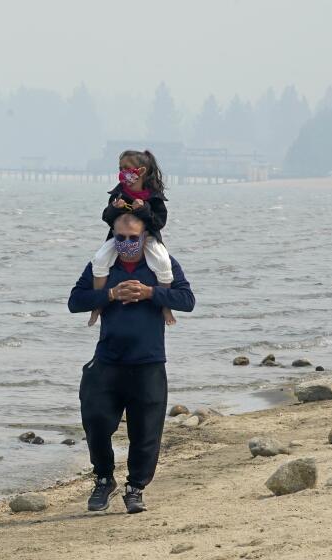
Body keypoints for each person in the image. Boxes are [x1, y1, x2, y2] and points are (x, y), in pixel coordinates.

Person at [68, 212, 195, 514]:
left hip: (148, 363)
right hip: (107, 362)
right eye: (119, 237)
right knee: (96, 421)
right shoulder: (103, 265)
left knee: (146, 433)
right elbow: (75, 301)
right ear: (112, 235)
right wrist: (110, 294)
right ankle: (103, 479)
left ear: (145, 236)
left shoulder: (160, 264)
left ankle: (135, 488)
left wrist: (150, 292)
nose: (125, 243)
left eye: (132, 238)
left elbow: (187, 300)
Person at [88, 150, 175, 328]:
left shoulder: (154, 196)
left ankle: (166, 306)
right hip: (119, 238)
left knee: (163, 261)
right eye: (120, 168)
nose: (122, 172)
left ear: (140, 171)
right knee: (100, 259)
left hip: (148, 238)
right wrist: (115, 208)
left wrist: (143, 210)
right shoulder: (118, 193)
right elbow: (107, 218)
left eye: (127, 168)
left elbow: (159, 222)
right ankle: (97, 305)